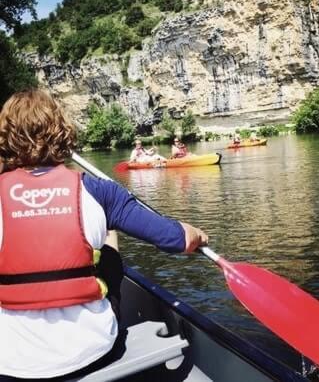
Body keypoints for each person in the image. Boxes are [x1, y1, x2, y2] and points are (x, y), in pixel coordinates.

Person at [0, 89, 208, 381]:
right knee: (107, 246)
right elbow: (177, 240)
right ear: (60, 131)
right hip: (91, 351)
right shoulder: (99, 192)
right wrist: (196, 233)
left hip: (11, 363)